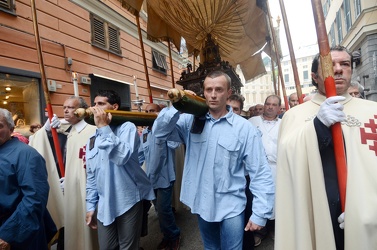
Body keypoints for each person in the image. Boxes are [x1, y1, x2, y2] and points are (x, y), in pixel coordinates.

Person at [152, 71, 275, 249]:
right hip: (202, 203)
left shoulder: (244, 129)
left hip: (231, 205)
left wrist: (259, 213)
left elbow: (260, 172)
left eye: (219, 89)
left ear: (228, 92)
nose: (213, 94)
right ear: (203, 92)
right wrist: (177, 106)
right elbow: (159, 133)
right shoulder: (190, 121)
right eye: (209, 90)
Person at [275, 45, 377, 250]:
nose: (338, 69)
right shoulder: (295, 115)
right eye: (330, 65)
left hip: (368, 215)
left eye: (345, 64)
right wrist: (317, 126)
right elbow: (287, 159)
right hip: (317, 210)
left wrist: (366, 207)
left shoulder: (372, 112)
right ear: (314, 76)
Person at [85, 90, 155, 250]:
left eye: (101, 104)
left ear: (114, 107)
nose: (95, 108)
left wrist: (103, 127)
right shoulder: (92, 138)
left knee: (128, 247)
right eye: (94, 104)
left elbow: (122, 157)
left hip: (128, 199)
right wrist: (90, 206)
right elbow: (91, 175)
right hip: (104, 204)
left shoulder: (127, 128)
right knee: (106, 247)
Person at [0, 108, 55, 250]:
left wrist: (8, 235)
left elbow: (34, 199)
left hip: (18, 235)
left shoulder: (27, 155)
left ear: (11, 129)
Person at [141, 103, 181, 250]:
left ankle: (174, 235)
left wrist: (163, 128)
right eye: (146, 111)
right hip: (149, 179)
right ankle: (167, 235)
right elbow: (141, 155)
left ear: (159, 113)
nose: (148, 113)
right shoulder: (144, 133)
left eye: (152, 111)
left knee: (164, 209)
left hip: (164, 178)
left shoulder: (167, 131)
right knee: (158, 210)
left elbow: (175, 144)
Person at [249, 95, 281, 246]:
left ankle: (274, 229)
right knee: (257, 198)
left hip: (277, 168)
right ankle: (258, 231)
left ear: (279, 108)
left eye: (274, 105)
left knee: (276, 200)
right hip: (256, 168)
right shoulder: (252, 122)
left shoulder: (285, 123)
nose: (270, 107)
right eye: (267, 104)